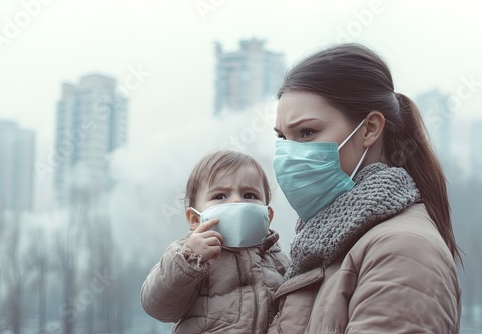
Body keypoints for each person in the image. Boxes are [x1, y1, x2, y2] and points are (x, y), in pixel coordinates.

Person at [268, 43, 462, 333]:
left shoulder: (403, 250)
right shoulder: (326, 244)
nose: (288, 155)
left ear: (370, 128)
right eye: (283, 138)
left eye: (307, 133)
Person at [141, 149, 290, 333]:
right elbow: (159, 307)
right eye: (220, 196)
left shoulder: (277, 258)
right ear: (195, 219)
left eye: (249, 195)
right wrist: (190, 259)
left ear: (268, 215)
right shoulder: (187, 256)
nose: (236, 201)